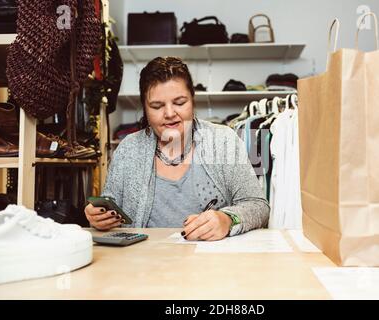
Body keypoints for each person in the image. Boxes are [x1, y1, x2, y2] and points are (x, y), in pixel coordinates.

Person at [84, 56, 269, 241]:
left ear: (193, 100)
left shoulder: (223, 140)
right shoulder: (128, 150)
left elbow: (258, 206)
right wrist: (98, 217)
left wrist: (228, 219)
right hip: (142, 264)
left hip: (210, 264)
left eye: (180, 103)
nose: (170, 114)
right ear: (145, 109)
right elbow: (110, 204)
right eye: (157, 106)